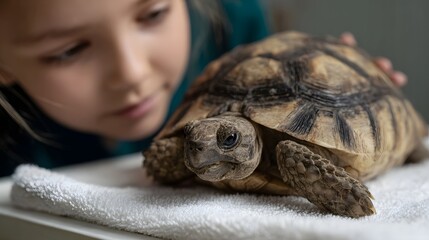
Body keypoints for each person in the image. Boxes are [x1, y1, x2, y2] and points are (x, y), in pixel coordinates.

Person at [0, 0, 407, 177]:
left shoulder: (234, 22)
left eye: (154, 13)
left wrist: (349, 83)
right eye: (70, 50)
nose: (131, 73)